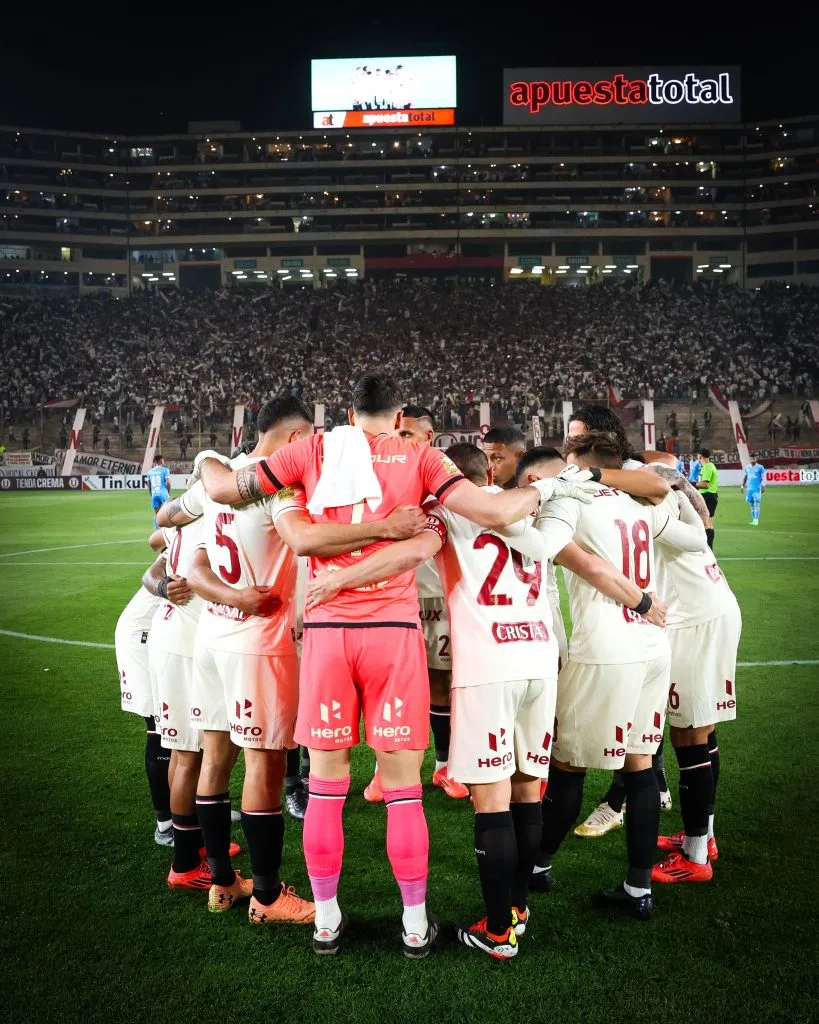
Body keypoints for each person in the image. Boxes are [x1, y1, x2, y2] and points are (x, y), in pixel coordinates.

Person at [194, 373, 590, 957]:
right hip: (395, 632)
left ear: (349, 415)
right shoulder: (423, 458)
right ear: (399, 413)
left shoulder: (313, 449)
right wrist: (548, 489)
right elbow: (490, 510)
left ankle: (326, 921)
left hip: (329, 631)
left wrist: (206, 463)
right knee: (403, 790)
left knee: (327, 787)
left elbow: (228, 489)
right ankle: (412, 926)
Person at [304, 442, 669, 958]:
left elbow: (410, 553)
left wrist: (340, 577)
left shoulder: (449, 512)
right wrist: (645, 602)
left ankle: (498, 930)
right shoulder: (536, 508)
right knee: (526, 790)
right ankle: (517, 908)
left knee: (492, 799)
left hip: (487, 667)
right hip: (539, 661)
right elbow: (586, 564)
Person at [164, 395, 427, 928]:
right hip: (258, 640)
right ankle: (265, 894)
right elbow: (306, 541)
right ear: (292, 438)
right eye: (309, 438)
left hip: (209, 637)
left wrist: (222, 592)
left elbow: (177, 537)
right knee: (264, 763)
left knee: (215, 756)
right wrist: (387, 528)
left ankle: (219, 880)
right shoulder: (277, 488)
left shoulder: (215, 483)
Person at [525, 432, 706, 920]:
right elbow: (675, 508)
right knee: (641, 765)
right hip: (650, 645)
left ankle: (536, 867)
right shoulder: (636, 500)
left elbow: (557, 551)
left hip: (605, 646)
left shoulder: (572, 494)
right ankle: (637, 889)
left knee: (567, 768)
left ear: (581, 462)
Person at [364, 405, 468, 802]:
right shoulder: (379, 475)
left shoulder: (445, 477)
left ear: (429, 438)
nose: (399, 441)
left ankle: (444, 766)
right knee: (389, 687)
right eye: (396, 433)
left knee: (442, 681)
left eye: (408, 435)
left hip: (440, 594)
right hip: (392, 594)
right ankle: (381, 772)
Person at [649, 487, 742, 884]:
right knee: (702, 729)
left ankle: (696, 856)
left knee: (688, 735)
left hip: (696, 622)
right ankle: (703, 836)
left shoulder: (654, 504)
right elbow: (701, 513)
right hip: (714, 609)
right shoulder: (678, 499)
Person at [114, 530, 183, 846]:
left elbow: (158, 539)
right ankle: (166, 825)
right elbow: (156, 540)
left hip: (165, 633)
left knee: (183, 728)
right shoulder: (198, 521)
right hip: (142, 634)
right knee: (160, 729)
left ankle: (189, 808)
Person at [696, 449, 719, 549]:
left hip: (708, 496)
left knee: (706, 524)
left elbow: (705, 484)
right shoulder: (710, 466)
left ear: (700, 456)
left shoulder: (707, 467)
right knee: (708, 524)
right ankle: (708, 548)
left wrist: (691, 484)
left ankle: (707, 549)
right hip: (710, 496)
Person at [146, 455, 171, 527]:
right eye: (163, 460)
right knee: (167, 512)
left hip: (154, 494)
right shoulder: (165, 470)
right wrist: (168, 492)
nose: (163, 461)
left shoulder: (150, 472)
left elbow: (149, 485)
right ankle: (168, 531)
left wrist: (151, 494)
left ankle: (157, 531)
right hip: (163, 493)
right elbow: (168, 483)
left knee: (157, 514)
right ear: (160, 461)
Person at [742, 455, 766, 526]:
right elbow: (746, 477)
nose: (753, 460)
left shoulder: (760, 467)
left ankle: (756, 520)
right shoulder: (747, 467)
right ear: (750, 459)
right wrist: (742, 486)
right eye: (751, 459)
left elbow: (763, 477)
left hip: (756, 489)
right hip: (749, 489)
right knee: (751, 504)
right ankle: (753, 520)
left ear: (756, 459)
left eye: (754, 459)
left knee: (756, 503)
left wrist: (763, 486)